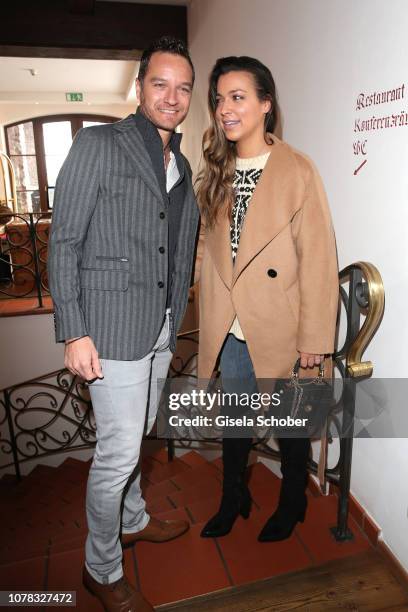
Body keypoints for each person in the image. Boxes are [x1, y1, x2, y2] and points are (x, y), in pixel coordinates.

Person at [48, 37, 199, 612]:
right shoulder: (97, 143)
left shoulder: (180, 164)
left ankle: (132, 519)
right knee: (114, 454)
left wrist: (178, 313)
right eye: (160, 84)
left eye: (183, 87)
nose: (172, 96)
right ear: (140, 88)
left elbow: (175, 244)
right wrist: (73, 329)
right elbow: (64, 242)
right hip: (109, 330)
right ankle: (100, 567)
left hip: (159, 329)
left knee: (135, 440)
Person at [194, 56, 338, 542]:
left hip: (282, 325)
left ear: (265, 105)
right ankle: (234, 497)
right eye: (219, 99)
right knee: (234, 422)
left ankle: (292, 500)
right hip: (230, 328)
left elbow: (319, 257)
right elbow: (208, 253)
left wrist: (314, 338)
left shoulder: (296, 169)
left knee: (291, 426)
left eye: (238, 97)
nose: (225, 109)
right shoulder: (217, 168)